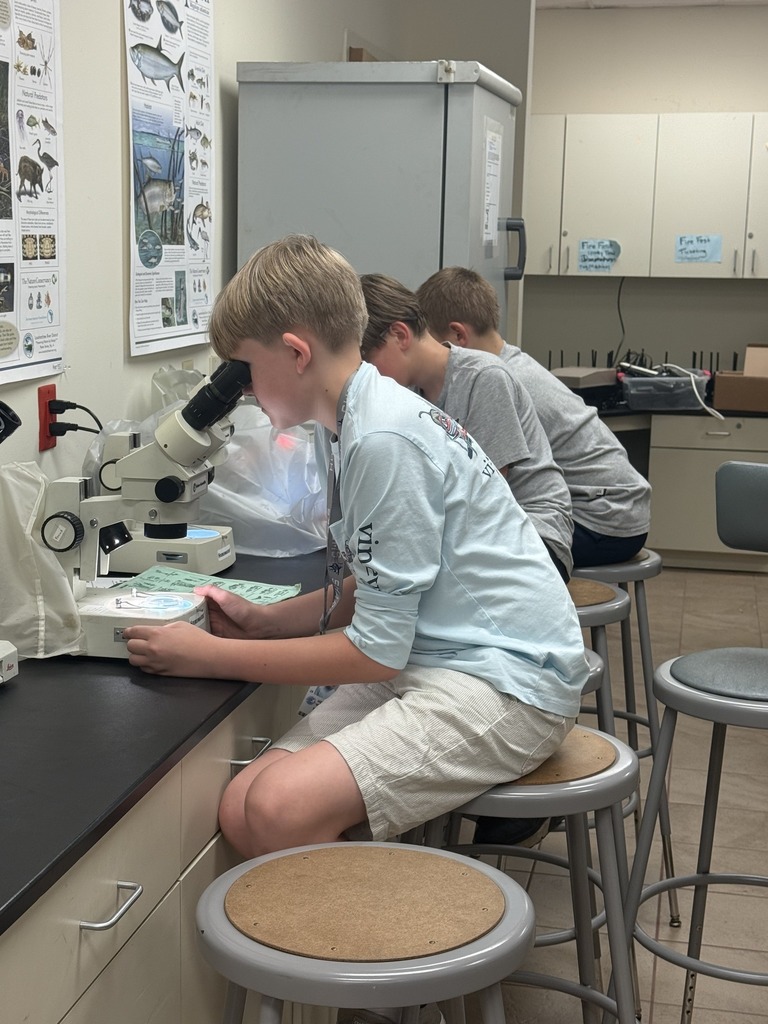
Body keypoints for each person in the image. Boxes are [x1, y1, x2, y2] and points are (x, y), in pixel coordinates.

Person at [123, 235, 588, 867]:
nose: (245, 391)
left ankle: (419, 925)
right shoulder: (361, 416)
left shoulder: (383, 438)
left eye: (245, 370)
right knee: (240, 808)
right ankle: (365, 914)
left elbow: (375, 650)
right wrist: (266, 622)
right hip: (434, 655)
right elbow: (382, 579)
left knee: (277, 808)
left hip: (509, 680)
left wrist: (210, 656)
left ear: (296, 353)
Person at [416, 266, 651, 568]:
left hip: (603, 520)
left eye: (434, 342)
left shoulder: (496, 381)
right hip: (616, 508)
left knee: (457, 558)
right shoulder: (509, 363)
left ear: (458, 335)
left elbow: (487, 484)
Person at [359, 273, 574, 581]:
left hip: (532, 534)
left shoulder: (484, 378)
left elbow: (485, 498)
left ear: (399, 335)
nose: (367, 376)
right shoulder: (412, 393)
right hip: (476, 535)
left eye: (367, 361)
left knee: (407, 580)